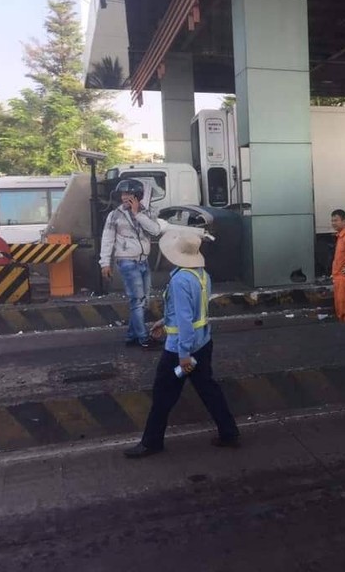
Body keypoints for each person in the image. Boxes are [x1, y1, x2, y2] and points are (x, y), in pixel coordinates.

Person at [124, 229, 240, 458]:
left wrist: (184, 355)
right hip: (203, 344)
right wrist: (164, 322)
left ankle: (151, 442)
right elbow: (192, 313)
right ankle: (229, 432)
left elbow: (186, 321)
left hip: (181, 351)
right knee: (208, 389)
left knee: (163, 394)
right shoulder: (201, 275)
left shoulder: (180, 280)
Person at [99, 178, 160, 348]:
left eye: (129, 194)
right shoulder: (114, 215)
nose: (125, 197)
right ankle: (143, 337)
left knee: (143, 300)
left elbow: (155, 230)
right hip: (127, 261)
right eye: (123, 194)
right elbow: (107, 240)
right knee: (137, 300)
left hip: (143, 261)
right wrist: (105, 263)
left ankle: (132, 336)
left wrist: (137, 214)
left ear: (138, 196)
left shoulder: (147, 212)